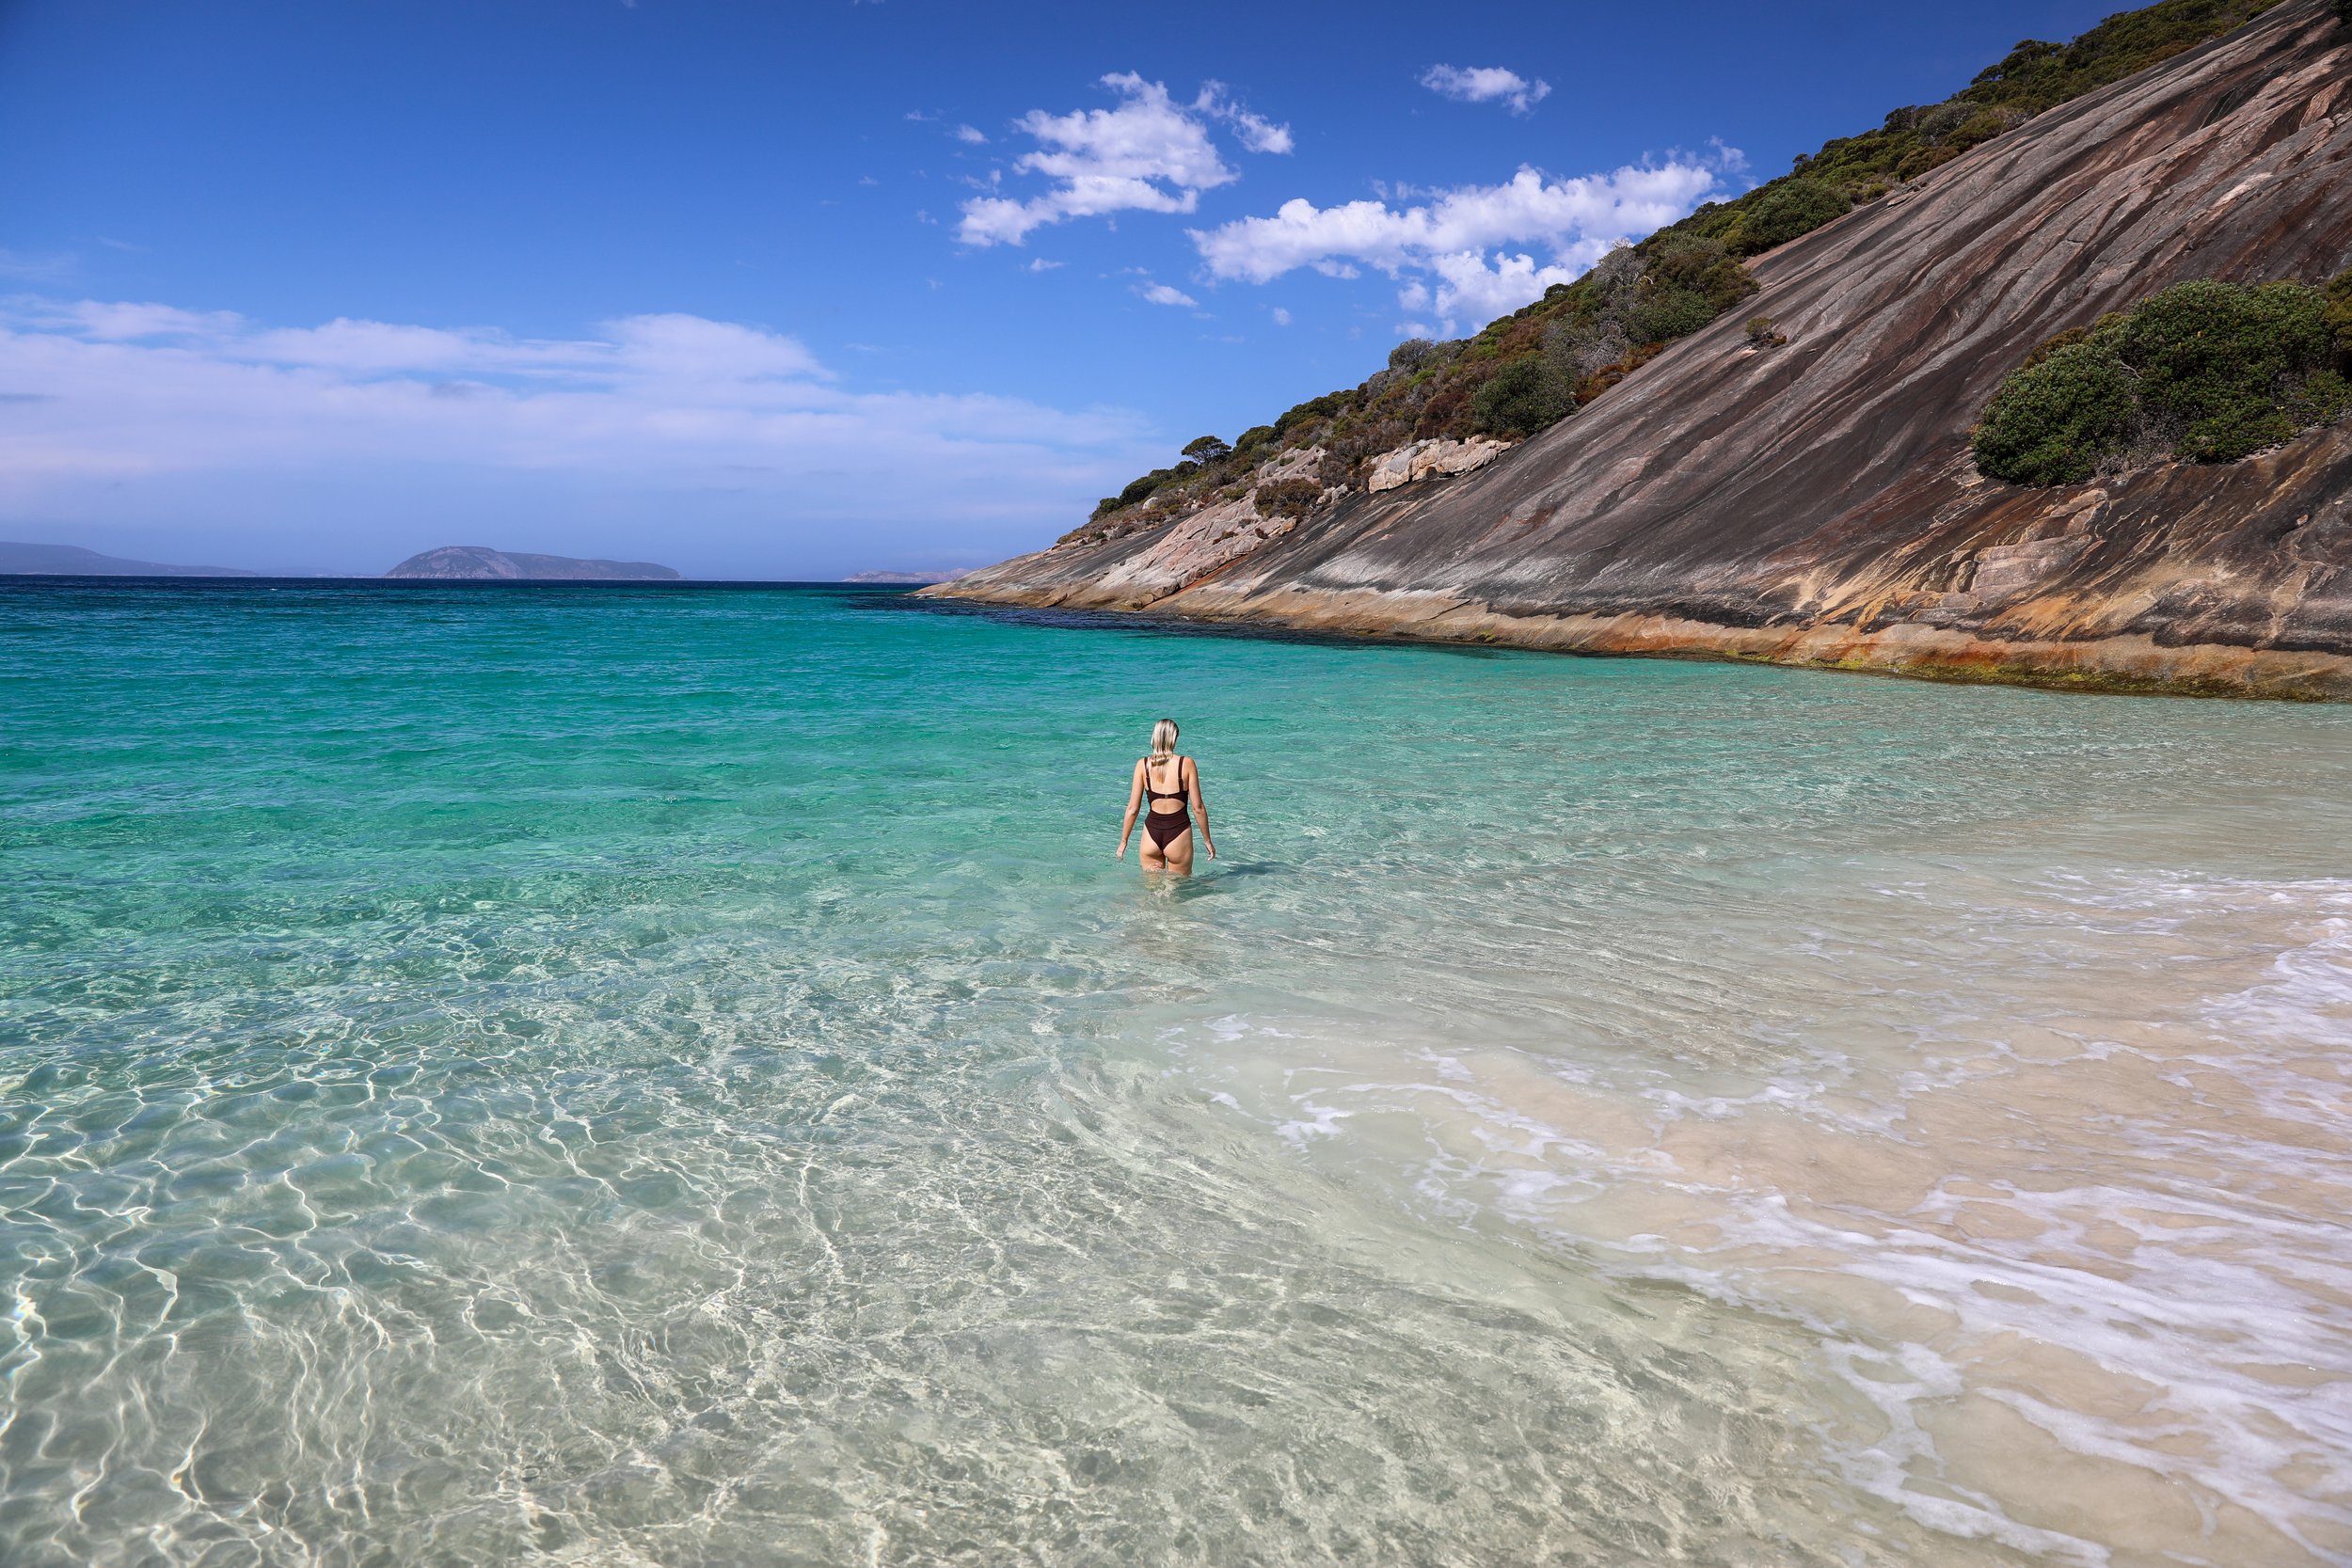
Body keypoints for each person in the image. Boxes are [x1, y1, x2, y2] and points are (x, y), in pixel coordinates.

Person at [1116, 718, 1215, 874]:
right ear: (1174, 738)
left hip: (1151, 835)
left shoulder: (1143, 765)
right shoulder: (1186, 763)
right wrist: (1207, 840)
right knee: (1177, 892)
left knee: (1152, 892)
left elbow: (1133, 809)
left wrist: (1124, 841)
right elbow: (1198, 808)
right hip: (1179, 833)